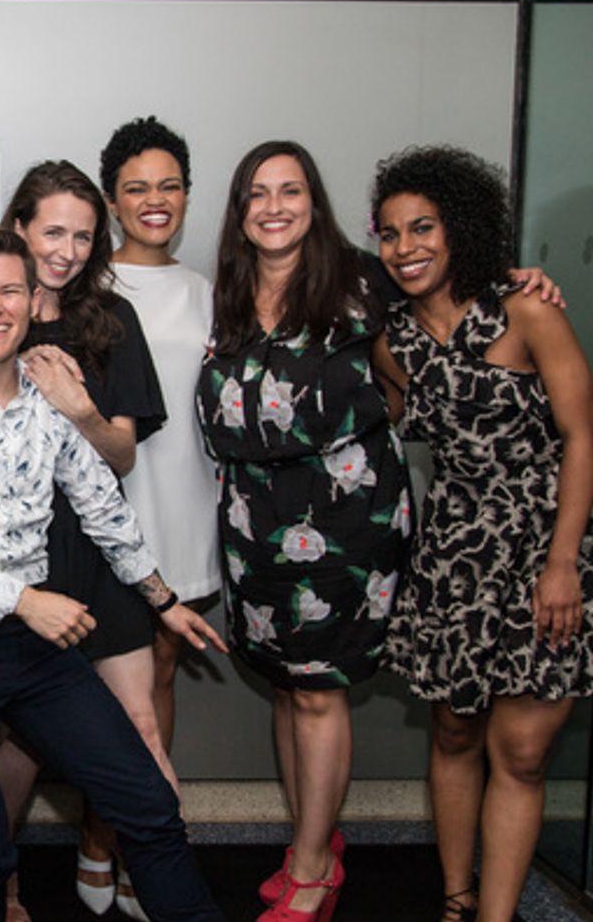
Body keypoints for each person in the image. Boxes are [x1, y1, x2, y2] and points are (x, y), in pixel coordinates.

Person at [0, 224, 226, 922]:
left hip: (32, 645)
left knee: (149, 804)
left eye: (8, 290)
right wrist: (25, 599)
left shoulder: (49, 396)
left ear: (34, 300)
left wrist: (162, 597)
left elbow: (101, 501)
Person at [371, 145, 593, 922]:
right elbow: (384, 427)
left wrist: (563, 562)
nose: (407, 248)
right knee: (457, 729)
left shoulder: (529, 311)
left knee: (524, 751)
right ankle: (457, 897)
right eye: (391, 234)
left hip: (546, 544)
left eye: (423, 227)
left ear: (459, 228)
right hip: (456, 550)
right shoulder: (393, 342)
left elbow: (583, 437)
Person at [196, 140, 411, 921]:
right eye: (258, 193)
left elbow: (427, 356)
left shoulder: (363, 282)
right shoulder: (227, 293)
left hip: (344, 525)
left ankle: (317, 867)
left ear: (314, 204)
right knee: (288, 688)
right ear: (241, 211)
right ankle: (307, 841)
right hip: (254, 524)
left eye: (291, 191)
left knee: (319, 692)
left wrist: (526, 281)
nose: (274, 206)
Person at [0, 161, 169, 922]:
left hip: (98, 548)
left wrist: (79, 407)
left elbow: (120, 455)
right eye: (52, 230)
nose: (67, 249)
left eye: (84, 235)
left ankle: (160, 875)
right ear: (19, 227)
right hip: (15, 555)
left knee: (140, 723)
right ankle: (1, 883)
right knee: (20, 739)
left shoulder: (111, 321)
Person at [95, 117, 220, 918]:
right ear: (111, 199)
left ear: (186, 193)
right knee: (92, 692)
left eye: (167, 184)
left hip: (182, 504)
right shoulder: (85, 286)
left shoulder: (212, 291)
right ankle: (99, 834)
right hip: (101, 508)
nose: (153, 200)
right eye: (136, 186)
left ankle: (130, 840)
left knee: (160, 677)